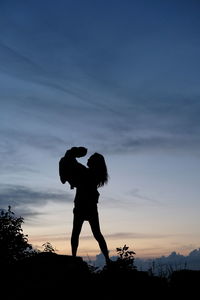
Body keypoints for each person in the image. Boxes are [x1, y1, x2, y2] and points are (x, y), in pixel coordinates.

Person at [59, 147, 110, 265]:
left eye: (90, 159)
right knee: (97, 234)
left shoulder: (87, 173)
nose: (88, 160)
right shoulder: (95, 174)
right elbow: (74, 165)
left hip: (81, 205)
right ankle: (107, 259)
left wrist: (71, 154)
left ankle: (74, 257)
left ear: (94, 163)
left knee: (76, 232)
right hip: (90, 206)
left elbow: (72, 164)